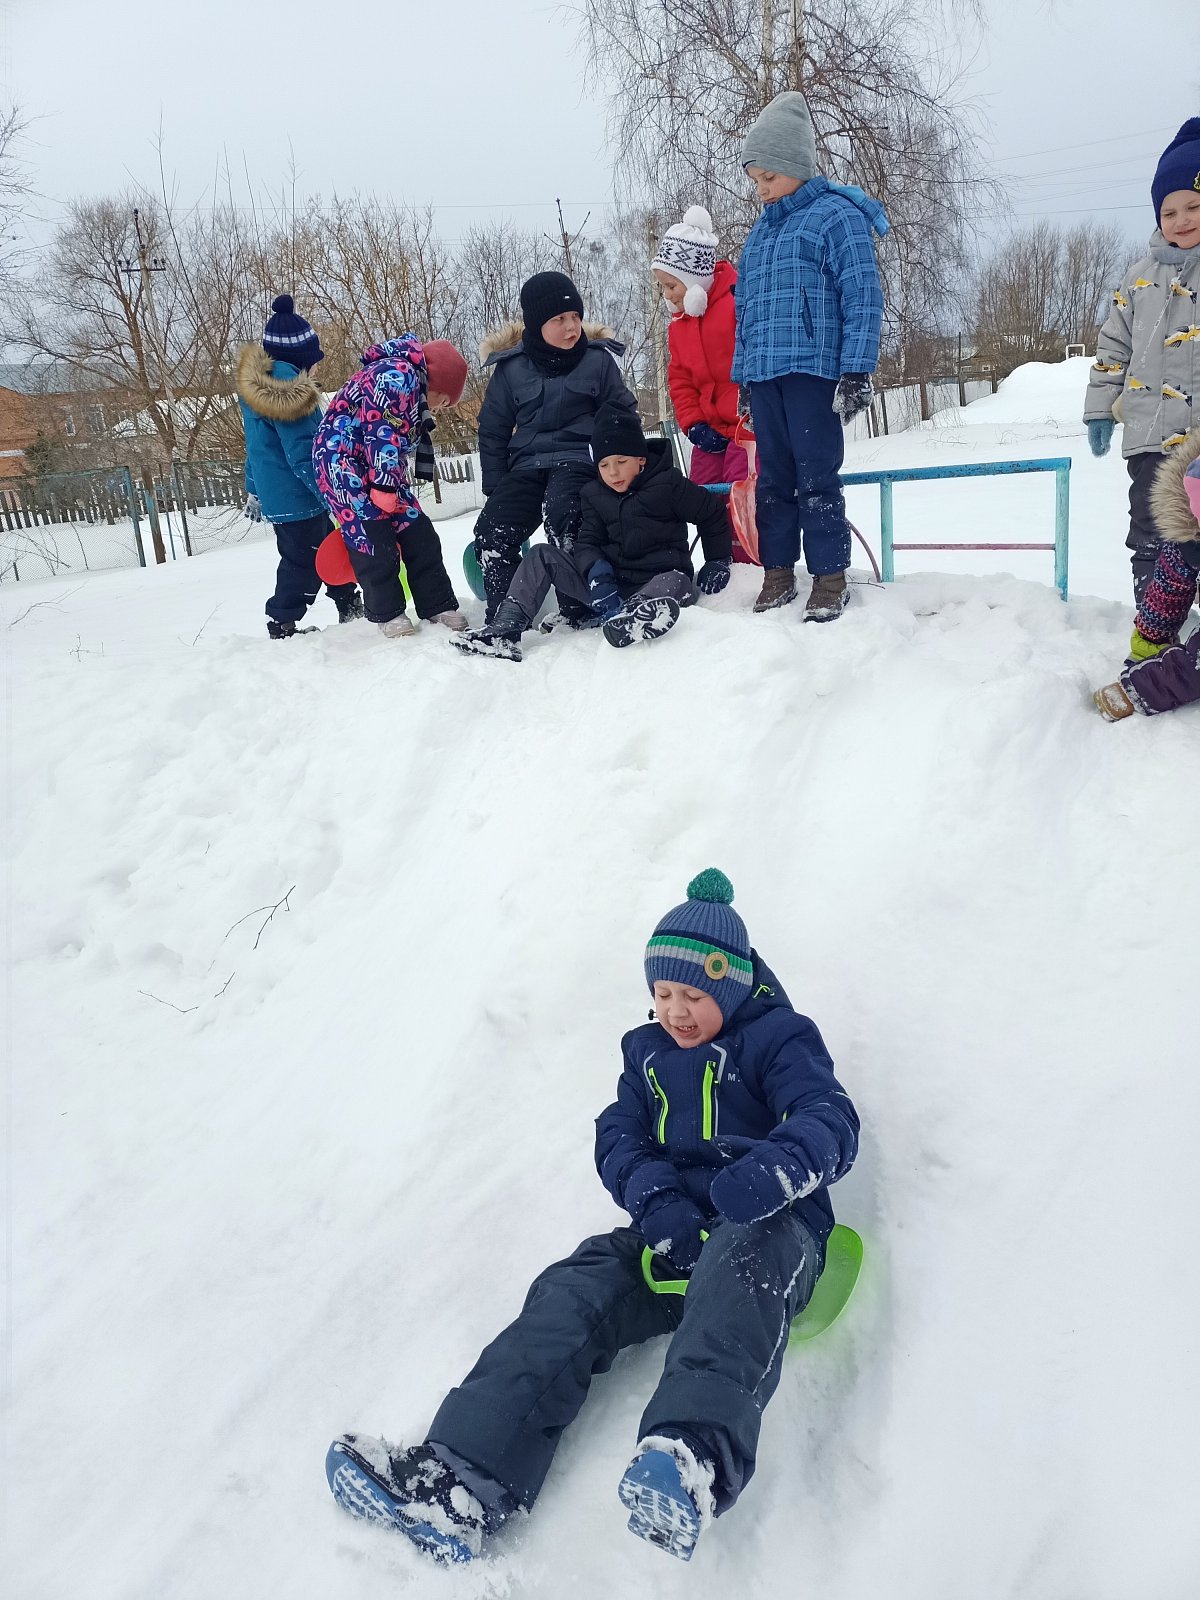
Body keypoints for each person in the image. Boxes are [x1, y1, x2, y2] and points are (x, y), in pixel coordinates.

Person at [325, 869, 859, 1565]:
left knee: (742, 1265)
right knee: (575, 1288)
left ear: (729, 987)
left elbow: (829, 1117)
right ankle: (460, 1483)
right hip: (675, 1236)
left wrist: (767, 1178)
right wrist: (658, 1204)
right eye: (663, 994)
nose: (675, 1012)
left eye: (693, 996)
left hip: (771, 1230)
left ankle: (689, 1462)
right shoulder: (647, 1055)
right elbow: (619, 1137)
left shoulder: (779, 1040)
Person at [731, 91, 887, 621]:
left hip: (813, 371)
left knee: (816, 474)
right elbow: (745, 309)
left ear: (797, 165)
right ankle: (777, 572)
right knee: (773, 479)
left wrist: (856, 368)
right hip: (766, 375)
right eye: (755, 180)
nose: (761, 188)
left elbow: (862, 293)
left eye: (768, 177)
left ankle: (829, 576)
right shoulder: (760, 234)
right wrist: (744, 379)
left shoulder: (836, 217)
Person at [452, 405, 732, 661]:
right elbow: (588, 542)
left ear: (641, 459)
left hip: (659, 582)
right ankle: (505, 629)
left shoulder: (668, 485)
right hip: (611, 587)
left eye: (621, 461)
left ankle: (636, 616)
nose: (613, 472)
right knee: (541, 555)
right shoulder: (594, 494)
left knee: (677, 580)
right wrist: (598, 574)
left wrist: (717, 559)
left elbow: (712, 513)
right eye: (604, 465)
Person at [473, 271, 640, 621]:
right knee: (492, 530)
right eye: (559, 319)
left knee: (565, 514)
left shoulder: (597, 361)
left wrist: (627, 465)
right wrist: (496, 486)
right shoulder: (511, 368)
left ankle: (578, 609)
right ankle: (505, 614)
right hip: (526, 466)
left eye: (575, 316)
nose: (571, 327)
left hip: (579, 460)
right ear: (537, 324)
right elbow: (493, 429)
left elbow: (623, 417)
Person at [1083, 118, 1200, 607]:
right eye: (1168, 210)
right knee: (1150, 532)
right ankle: (1154, 627)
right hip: (1150, 437)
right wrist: (1099, 409)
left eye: (1193, 206)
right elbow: (1113, 346)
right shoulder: (1139, 277)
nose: (1181, 220)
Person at [312, 334, 469, 638]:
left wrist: (390, 483)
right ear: (437, 382)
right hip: (340, 462)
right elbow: (380, 430)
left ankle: (437, 604)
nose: (440, 409)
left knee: (419, 530)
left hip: (378, 465)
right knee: (372, 534)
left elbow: (394, 445)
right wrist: (384, 487)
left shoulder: (413, 391)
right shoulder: (395, 374)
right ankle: (388, 613)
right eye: (444, 401)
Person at [237, 295, 362, 640]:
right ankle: (282, 621)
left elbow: (257, 450)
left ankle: (349, 604)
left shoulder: (260, 390)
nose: (317, 367)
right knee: (304, 563)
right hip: (299, 498)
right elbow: (306, 454)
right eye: (314, 360)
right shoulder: (290, 393)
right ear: (300, 359)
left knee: (330, 547)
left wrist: (254, 488)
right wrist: (333, 495)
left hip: (285, 497)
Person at [650, 205, 752, 562]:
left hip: (744, 426)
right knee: (703, 492)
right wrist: (693, 423)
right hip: (708, 428)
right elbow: (679, 379)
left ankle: (748, 563)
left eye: (671, 285)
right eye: (662, 287)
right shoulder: (679, 325)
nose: (667, 295)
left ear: (694, 278)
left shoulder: (735, 304)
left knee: (740, 489)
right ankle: (717, 559)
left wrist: (751, 409)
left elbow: (752, 358)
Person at [1093, 432, 1200, 718]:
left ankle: (1146, 689)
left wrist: (1141, 689)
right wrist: (1148, 644)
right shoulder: (1189, 538)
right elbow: (1168, 592)